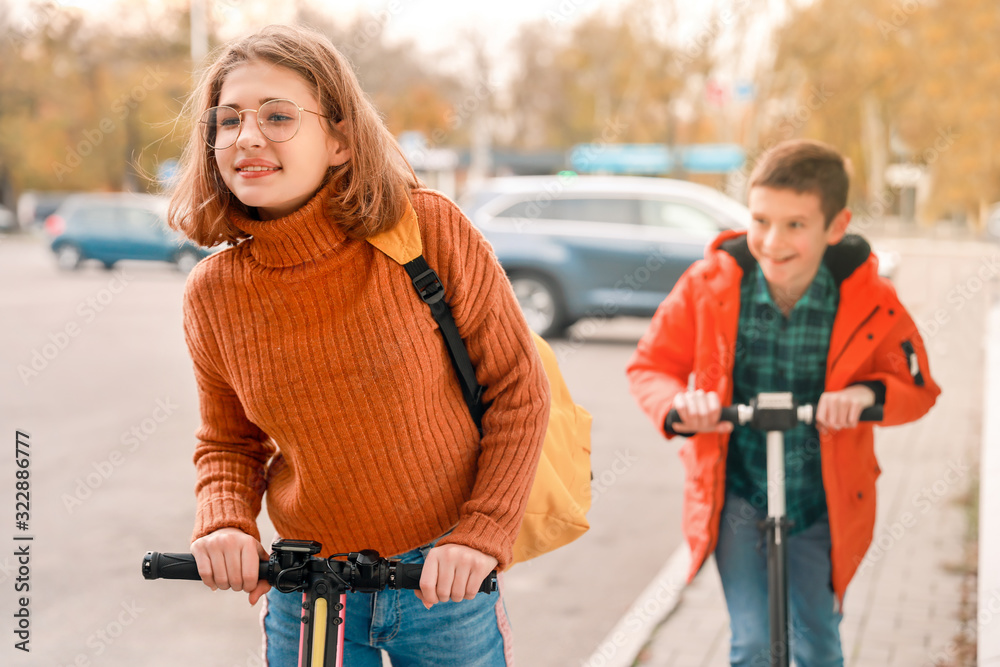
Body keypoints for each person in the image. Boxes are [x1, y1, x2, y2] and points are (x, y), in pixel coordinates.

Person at [167, 24, 549, 667]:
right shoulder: (213, 292)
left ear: (340, 139)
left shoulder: (428, 228)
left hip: (443, 585)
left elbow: (519, 390)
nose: (247, 137)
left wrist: (481, 535)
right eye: (227, 120)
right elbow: (230, 441)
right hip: (307, 591)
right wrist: (226, 522)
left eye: (278, 116)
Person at [626, 139, 940, 666]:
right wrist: (684, 405)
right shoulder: (708, 286)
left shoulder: (870, 300)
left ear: (834, 228)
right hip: (738, 496)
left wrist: (866, 394)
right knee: (751, 643)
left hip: (822, 500)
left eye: (795, 224)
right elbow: (650, 366)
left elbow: (917, 387)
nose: (772, 241)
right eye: (762, 220)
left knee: (816, 640)